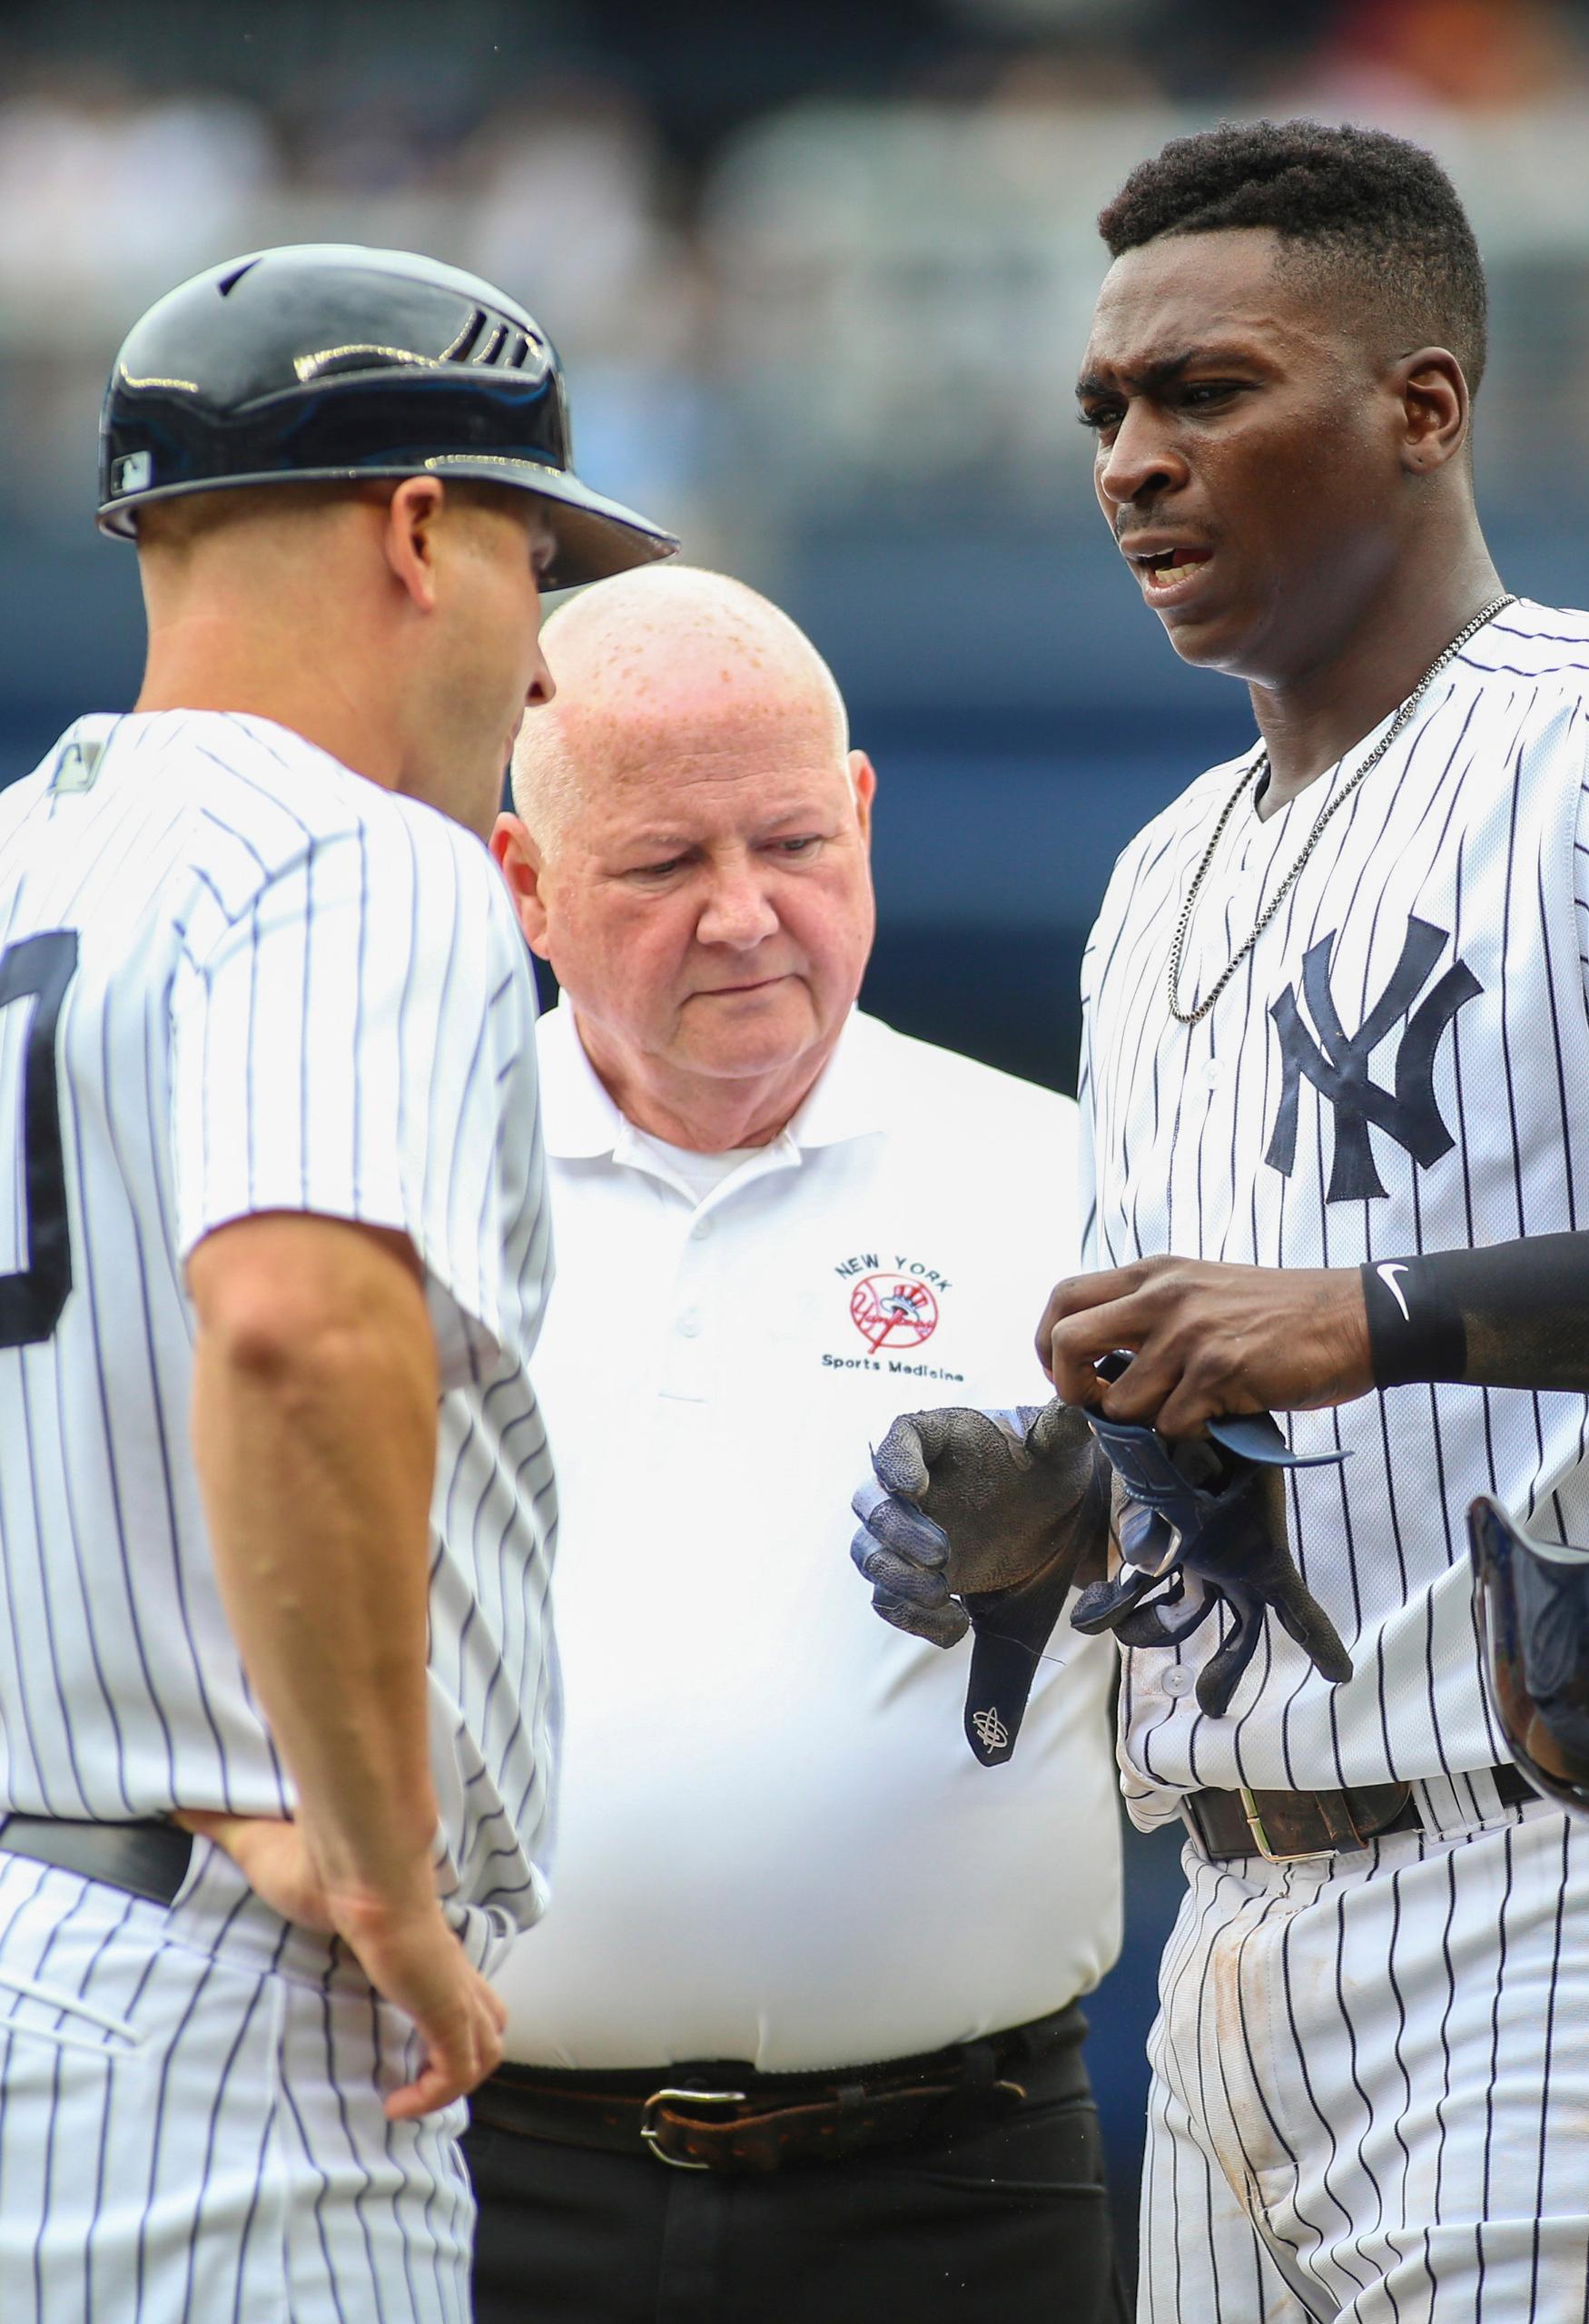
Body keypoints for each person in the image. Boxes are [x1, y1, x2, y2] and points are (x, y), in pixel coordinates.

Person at [852, 123, 1589, 2320]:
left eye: (1206, 391)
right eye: (1107, 409)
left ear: (1424, 405)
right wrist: (1065, 1497)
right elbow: (1259, 1390)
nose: (1134, 460)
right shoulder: (1160, 875)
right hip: (1237, 1927)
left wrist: (1379, 1314)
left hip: (1584, 1892)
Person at [0, 242, 673, 2320]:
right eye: (542, 562)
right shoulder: (362, 855)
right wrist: (361, 1850)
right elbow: (291, 1317)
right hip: (205, 2050)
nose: (544, 660)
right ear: (422, 527)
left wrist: (90, 1734)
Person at [462, 564, 1121, 2320]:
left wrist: (1113, 1519)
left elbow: (1291, 1597)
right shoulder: (388, 1184)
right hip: (459, 2182)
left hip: (958, 2193)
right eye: (666, 866)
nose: (748, 917)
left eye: (795, 846)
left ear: (866, 815)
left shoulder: (1081, 1178)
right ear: (526, 883)